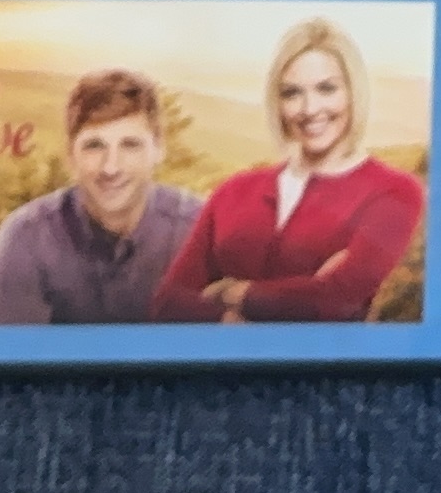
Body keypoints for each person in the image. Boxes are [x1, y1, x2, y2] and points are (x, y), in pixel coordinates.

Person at [154, 19, 424, 324]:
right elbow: (168, 302)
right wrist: (233, 321)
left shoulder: (395, 191)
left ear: (353, 92)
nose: (309, 109)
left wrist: (233, 292)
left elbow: (337, 299)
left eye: (326, 89)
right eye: (292, 93)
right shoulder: (234, 190)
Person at [0, 70, 208, 324]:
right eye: (94, 146)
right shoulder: (28, 237)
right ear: (71, 155)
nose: (111, 167)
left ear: (159, 150)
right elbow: (10, 349)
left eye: (130, 145)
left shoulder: (199, 231)